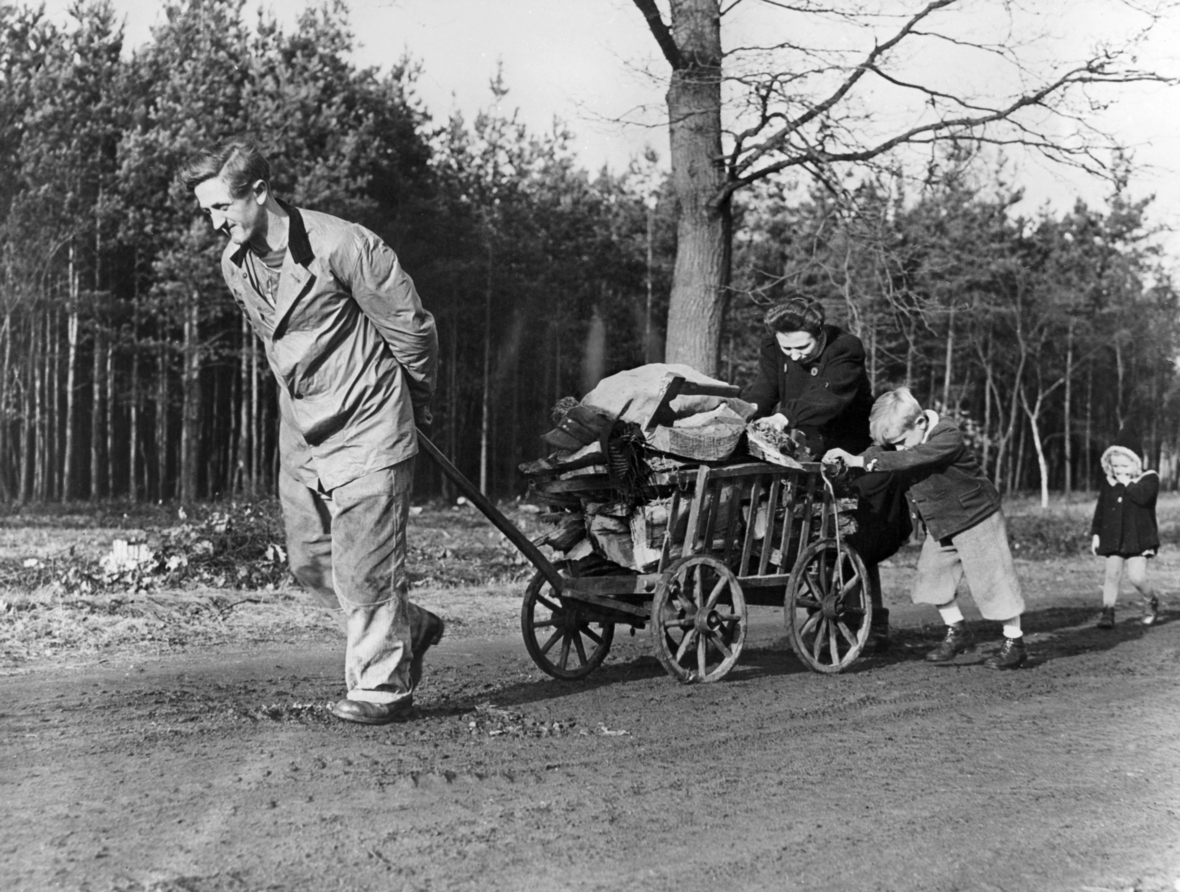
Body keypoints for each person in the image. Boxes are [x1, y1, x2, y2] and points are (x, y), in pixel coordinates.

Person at [179, 138, 444, 725]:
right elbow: (277, 344)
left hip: (369, 415)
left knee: (365, 562)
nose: (216, 224)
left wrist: (413, 406)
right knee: (309, 560)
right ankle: (411, 624)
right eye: (207, 213)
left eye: (222, 208)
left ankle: (382, 688)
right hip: (302, 427)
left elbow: (411, 330)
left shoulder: (343, 244)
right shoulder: (235, 263)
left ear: (260, 193)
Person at [742, 295, 910, 650]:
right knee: (812, 532)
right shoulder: (775, 346)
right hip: (809, 449)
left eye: (802, 346)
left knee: (857, 535)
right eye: (786, 347)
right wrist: (743, 414)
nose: (794, 355)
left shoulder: (846, 348)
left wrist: (784, 418)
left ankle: (872, 622)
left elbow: (826, 397)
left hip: (853, 454)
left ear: (819, 332)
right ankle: (826, 616)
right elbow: (764, 389)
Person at [823, 386, 1028, 670]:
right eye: (891, 444)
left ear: (920, 423)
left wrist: (864, 461)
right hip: (941, 523)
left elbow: (913, 457)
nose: (898, 448)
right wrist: (850, 462)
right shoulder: (901, 442)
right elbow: (883, 453)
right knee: (931, 579)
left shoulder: (947, 436)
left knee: (992, 581)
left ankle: (1014, 643)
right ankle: (957, 631)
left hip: (977, 516)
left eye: (901, 441)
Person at [1090, 427, 1162, 628]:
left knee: (1137, 578)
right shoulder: (1109, 482)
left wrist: (1127, 483)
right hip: (1113, 537)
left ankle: (1151, 601)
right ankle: (1108, 612)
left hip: (1139, 538)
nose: (1119, 470)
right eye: (1115, 466)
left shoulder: (1149, 479)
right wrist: (1096, 534)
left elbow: (1143, 497)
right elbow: (1101, 509)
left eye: (1124, 465)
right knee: (1111, 576)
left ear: (1136, 462)